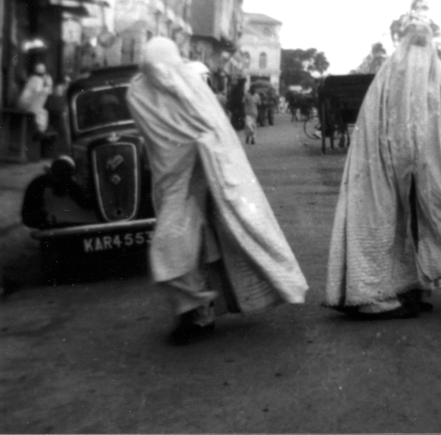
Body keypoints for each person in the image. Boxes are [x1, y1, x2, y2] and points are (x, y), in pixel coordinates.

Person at [324, 0, 441, 319]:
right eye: (414, 43)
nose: (418, 55)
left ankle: (416, 286)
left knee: (423, 219)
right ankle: (374, 293)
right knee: (382, 220)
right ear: (403, 42)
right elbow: (378, 127)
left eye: (425, 45)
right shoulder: (387, 78)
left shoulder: (439, 81)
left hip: (422, 166)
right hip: (383, 166)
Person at [125, 38, 308, 344]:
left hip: (204, 178)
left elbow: (214, 131)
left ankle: (198, 310)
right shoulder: (140, 93)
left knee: (178, 246)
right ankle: (198, 311)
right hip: (170, 181)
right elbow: (161, 137)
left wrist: (207, 154)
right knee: (190, 247)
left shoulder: (190, 89)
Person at [16, 62, 54, 134]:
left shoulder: (32, 78)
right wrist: (48, 85)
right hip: (25, 104)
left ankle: (40, 130)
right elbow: (39, 93)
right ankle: (40, 131)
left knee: (42, 111)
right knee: (42, 111)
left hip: (24, 103)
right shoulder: (37, 80)